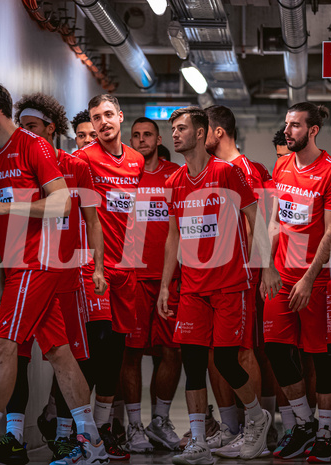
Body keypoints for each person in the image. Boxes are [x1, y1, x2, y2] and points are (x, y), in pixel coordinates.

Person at [0, 80, 108, 465]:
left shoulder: (34, 146)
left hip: (40, 262)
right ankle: (93, 447)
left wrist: (5, 210)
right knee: (59, 354)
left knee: (3, 345)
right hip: (18, 263)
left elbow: (60, 206)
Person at [157, 107, 282, 464]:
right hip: (193, 286)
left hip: (230, 283)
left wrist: (267, 267)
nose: (175, 134)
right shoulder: (174, 182)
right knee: (193, 361)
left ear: (201, 133)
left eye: (181, 128)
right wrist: (167, 284)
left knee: (227, 359)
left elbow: (256, 219)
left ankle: (256, 417)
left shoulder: (227, 173)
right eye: (173, 129)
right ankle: (198, 442)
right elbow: (172, 237)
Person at [263, 102, 331, 463]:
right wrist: (267, 265)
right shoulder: (282, 165)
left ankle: (325, 436)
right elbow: (275, 221)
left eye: (296, 125)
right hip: (281, 275)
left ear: (313, 130)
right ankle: (304, 424)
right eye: (287, 124)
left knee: (320, 355)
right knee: (276, 348)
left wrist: (309, 279)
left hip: (316, 279)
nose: (288, 131)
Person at [74, 94, 144, 459]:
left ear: (120, 116)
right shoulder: (81, 160)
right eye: (94, 118)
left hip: (125, 270)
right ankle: (78, 430)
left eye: (106, 115)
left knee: (116, 352)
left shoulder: (137, 160)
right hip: (91, 267)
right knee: (95, 348)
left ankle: (101, 429)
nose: (101, 123)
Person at [201, 105, 269, 458]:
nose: (199, 136)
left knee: (243, 352)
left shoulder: (242, 169)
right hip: (213, 275)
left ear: (218, 133)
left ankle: (251, 426)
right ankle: (230, 427)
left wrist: (261, 271)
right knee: (217, 352)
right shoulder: (211, 170)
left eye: (204, 130)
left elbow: (255, 222)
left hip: (242, 275)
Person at [119, 117, 182, 453]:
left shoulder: (175, 174)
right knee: (130, 352)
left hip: (170, 277)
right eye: (136, 136)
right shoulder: (126, 172)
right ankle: (133, 426)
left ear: (159, 139)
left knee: (173, 350)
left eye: (147, 135)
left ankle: (160, 420)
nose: (141, 140)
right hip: (133, 276)